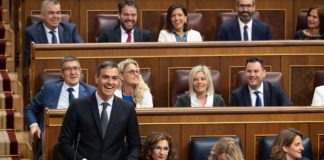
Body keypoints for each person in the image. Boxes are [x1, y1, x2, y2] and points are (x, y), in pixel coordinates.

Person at [57, 60, 141, 160]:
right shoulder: (77, 106)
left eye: (114, 78)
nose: (110, 82)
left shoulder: (127, 108)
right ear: (97, 78)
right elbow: (64, 142)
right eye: (105, 77)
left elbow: (135, 146)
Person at [24, 55, 95, 160]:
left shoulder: (91, 92)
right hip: (52, 139)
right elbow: (30, 108)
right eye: (68, 69)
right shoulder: (49, 88)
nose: (72, 72)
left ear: (80, 71)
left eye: (75, 68)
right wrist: (34, 125)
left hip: (82, 141)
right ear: (62, 73)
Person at [24, 0, 83, 66]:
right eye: (51, 13)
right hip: (44, 69)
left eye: (58, 13)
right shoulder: (31, 32)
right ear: (43, 16)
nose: (55, 16)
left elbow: (81, 51)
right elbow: (29, 59)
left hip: (68, 69)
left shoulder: (71, 29)